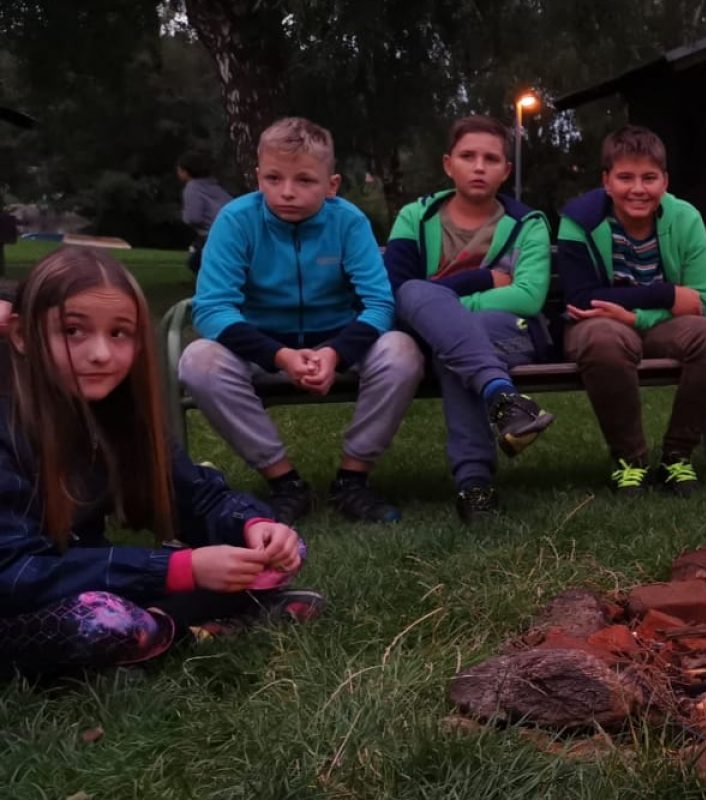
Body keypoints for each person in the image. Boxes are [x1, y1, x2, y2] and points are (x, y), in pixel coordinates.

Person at [1, 247, 322, 674]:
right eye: (73, 331)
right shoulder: (8, 427)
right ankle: (181, 628)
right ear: (21, 335)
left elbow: (196, 495)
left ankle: (157, 631)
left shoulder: (116, 417)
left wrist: (255, 526)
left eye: (119, 334)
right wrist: (178, 569)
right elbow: (15, 573)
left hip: (83, 581)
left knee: (275, 555)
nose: (100, 353)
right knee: (102, 620)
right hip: (19, 599)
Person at [178, 117, 425, 524]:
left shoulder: (349, 222)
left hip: (336, 334)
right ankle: (284, 481)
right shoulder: (235, 220)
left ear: (332, 185)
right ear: (258, 178)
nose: (287, 192)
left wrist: (336, 353)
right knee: (197, 360)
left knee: (402, 351)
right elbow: (212, 308)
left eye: (305, 180)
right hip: (258, 340)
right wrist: (279, 356)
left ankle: (353, 478)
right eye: (274, 178)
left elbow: (379, 303)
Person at [383, 115, 556, 523]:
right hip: (431, 336)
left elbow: (528, 297)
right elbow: (397, 291)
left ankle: (474, 483)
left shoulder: (528, 224)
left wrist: (443, 303)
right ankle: (502, 401)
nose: (479, 166)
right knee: (418, 299)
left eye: (491, 158)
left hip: (507, 334)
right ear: (448, 164)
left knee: (458, 339)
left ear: (506, 171)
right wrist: (482, 280)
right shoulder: (417, 216)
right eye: (468, 156)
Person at [555, 125, 706, 498]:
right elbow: (581, 298)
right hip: (597, 323)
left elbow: (699, 301)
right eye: (625, 177)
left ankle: (677, 456)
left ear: (665, 181)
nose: (638, 189)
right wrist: (668, 293)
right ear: (607, 182)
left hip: (660, 324)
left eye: (649, 178)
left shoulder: (686, 218)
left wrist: (638, 317)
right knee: (604, 340)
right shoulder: (578, 221)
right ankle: (630, 461)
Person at [178, 151, 234, 274]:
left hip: (214, 233)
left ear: (186, 171)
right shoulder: (213, 185)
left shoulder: (192, 187)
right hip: (231, 228)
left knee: (196, 264)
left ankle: (212, 288)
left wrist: (184, 216)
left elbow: (194, 217)